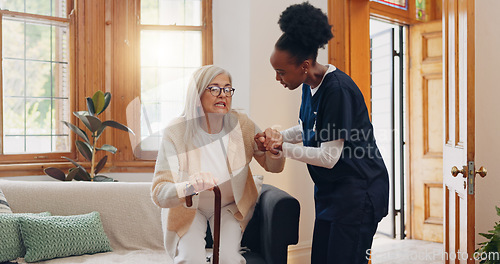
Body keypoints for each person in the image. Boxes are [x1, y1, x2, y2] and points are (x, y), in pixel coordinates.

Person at [255, 3, 389, 264]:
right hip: (331, 192)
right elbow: (308, 129)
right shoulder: (308, 84)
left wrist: (283, 149)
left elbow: (329, 157)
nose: (277, 78)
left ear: (304, 65)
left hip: (358, 192)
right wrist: (279, 137)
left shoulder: (337, 90)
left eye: (281, 72)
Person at [151, 65, 285, 264]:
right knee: (190, 259)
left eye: (227, 89)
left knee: (229, 259)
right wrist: (190, 186)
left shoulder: (242, 125)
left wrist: (274, 149)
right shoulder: (176, 131)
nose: (223, 95)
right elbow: (159, 192)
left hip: (229, 206)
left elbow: (274, 166)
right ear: (197, 96)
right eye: (214, 89)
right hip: (188, 208)